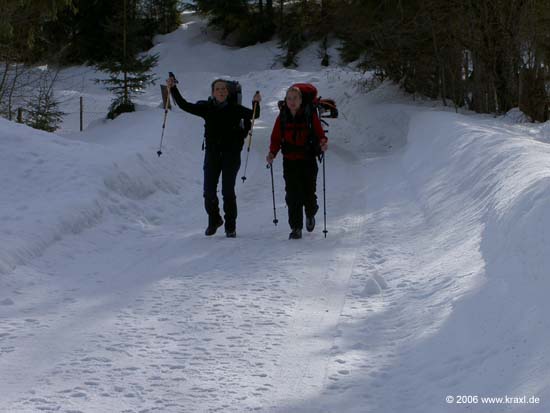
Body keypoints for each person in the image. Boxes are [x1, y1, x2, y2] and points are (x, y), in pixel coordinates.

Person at [167, 77, 261, 237]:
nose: (221, 91)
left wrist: (255, 103)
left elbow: (254, 115)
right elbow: (184, 105)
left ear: (228, 92)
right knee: (209, 191)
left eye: (224, 89)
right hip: (212, 154)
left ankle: (230, 226)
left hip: (231, 155)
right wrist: (173, 88)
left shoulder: (235, 108)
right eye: (217, 89)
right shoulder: (206, 107)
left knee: (227, 191)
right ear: (212, 92)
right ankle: (214, 219)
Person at [266, 86, 328, 240]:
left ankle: (310, 212)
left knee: (308, 193)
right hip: (290, 161)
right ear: (285, 101)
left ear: (301, 101)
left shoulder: (309, 115)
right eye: (289, 98)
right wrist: (272, 153)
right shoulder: (282, 117)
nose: (292, 101)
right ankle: (296, 227)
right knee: (293, 195)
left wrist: (323, 143)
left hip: (308, 159)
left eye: (295, 98)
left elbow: (320, 134)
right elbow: (275, 138)